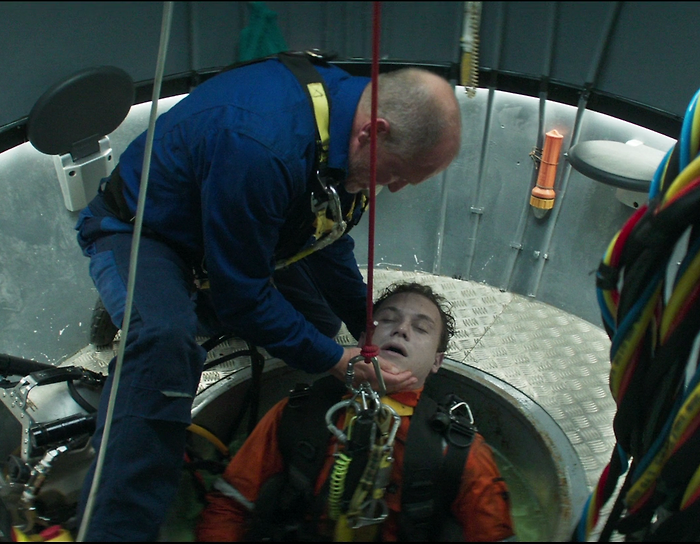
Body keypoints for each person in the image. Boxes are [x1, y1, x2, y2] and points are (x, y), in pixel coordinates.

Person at [73, 53, 463, 541]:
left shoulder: (343, 122)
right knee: (166, 343)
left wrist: (366, 322)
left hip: (238, 223)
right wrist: (336, 361)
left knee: (315, 328)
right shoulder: (261, 144)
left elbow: (326, 233)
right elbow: (244, 297)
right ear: (374, 132)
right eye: (397, 173)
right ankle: (114, 528)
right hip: (145, 232)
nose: (398, 188)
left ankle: (195, 299)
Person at [195, 282, 514, 541]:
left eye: (421, 328)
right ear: (363, 339)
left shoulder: (457, 451)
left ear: (437, 361)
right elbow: (229, 506)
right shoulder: (298, 415)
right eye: (387, 319)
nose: (401, 330)